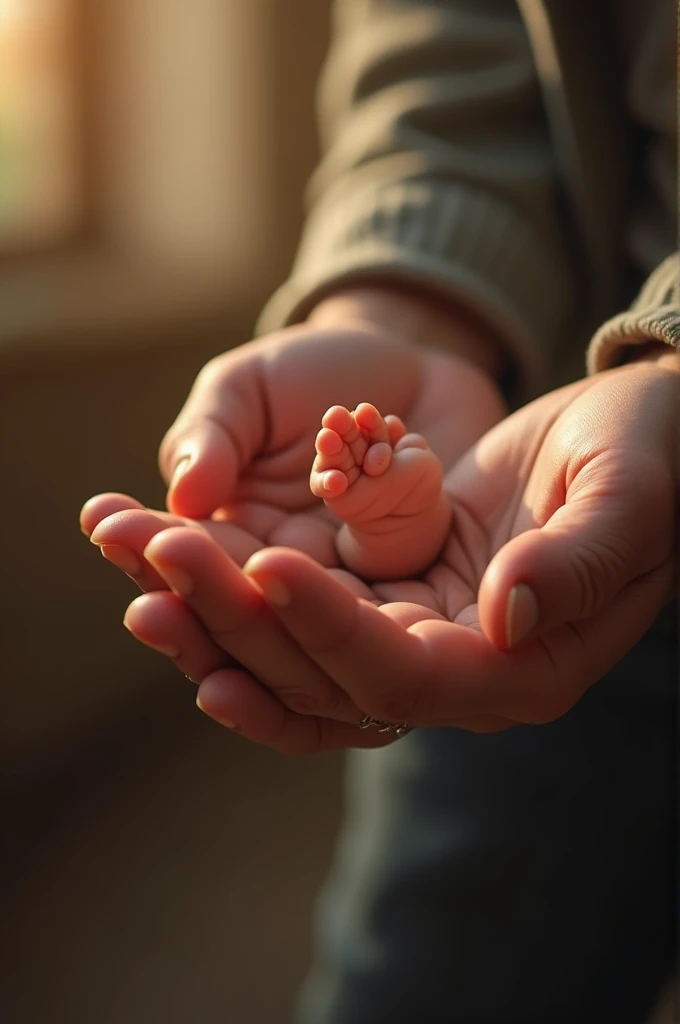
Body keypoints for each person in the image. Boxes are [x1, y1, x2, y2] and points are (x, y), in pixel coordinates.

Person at [80, 1, 678, 1020]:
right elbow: (449, 47)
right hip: (532, 484)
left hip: (563, 458)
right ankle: (395, 509)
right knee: (432, 970)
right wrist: (403, 299)